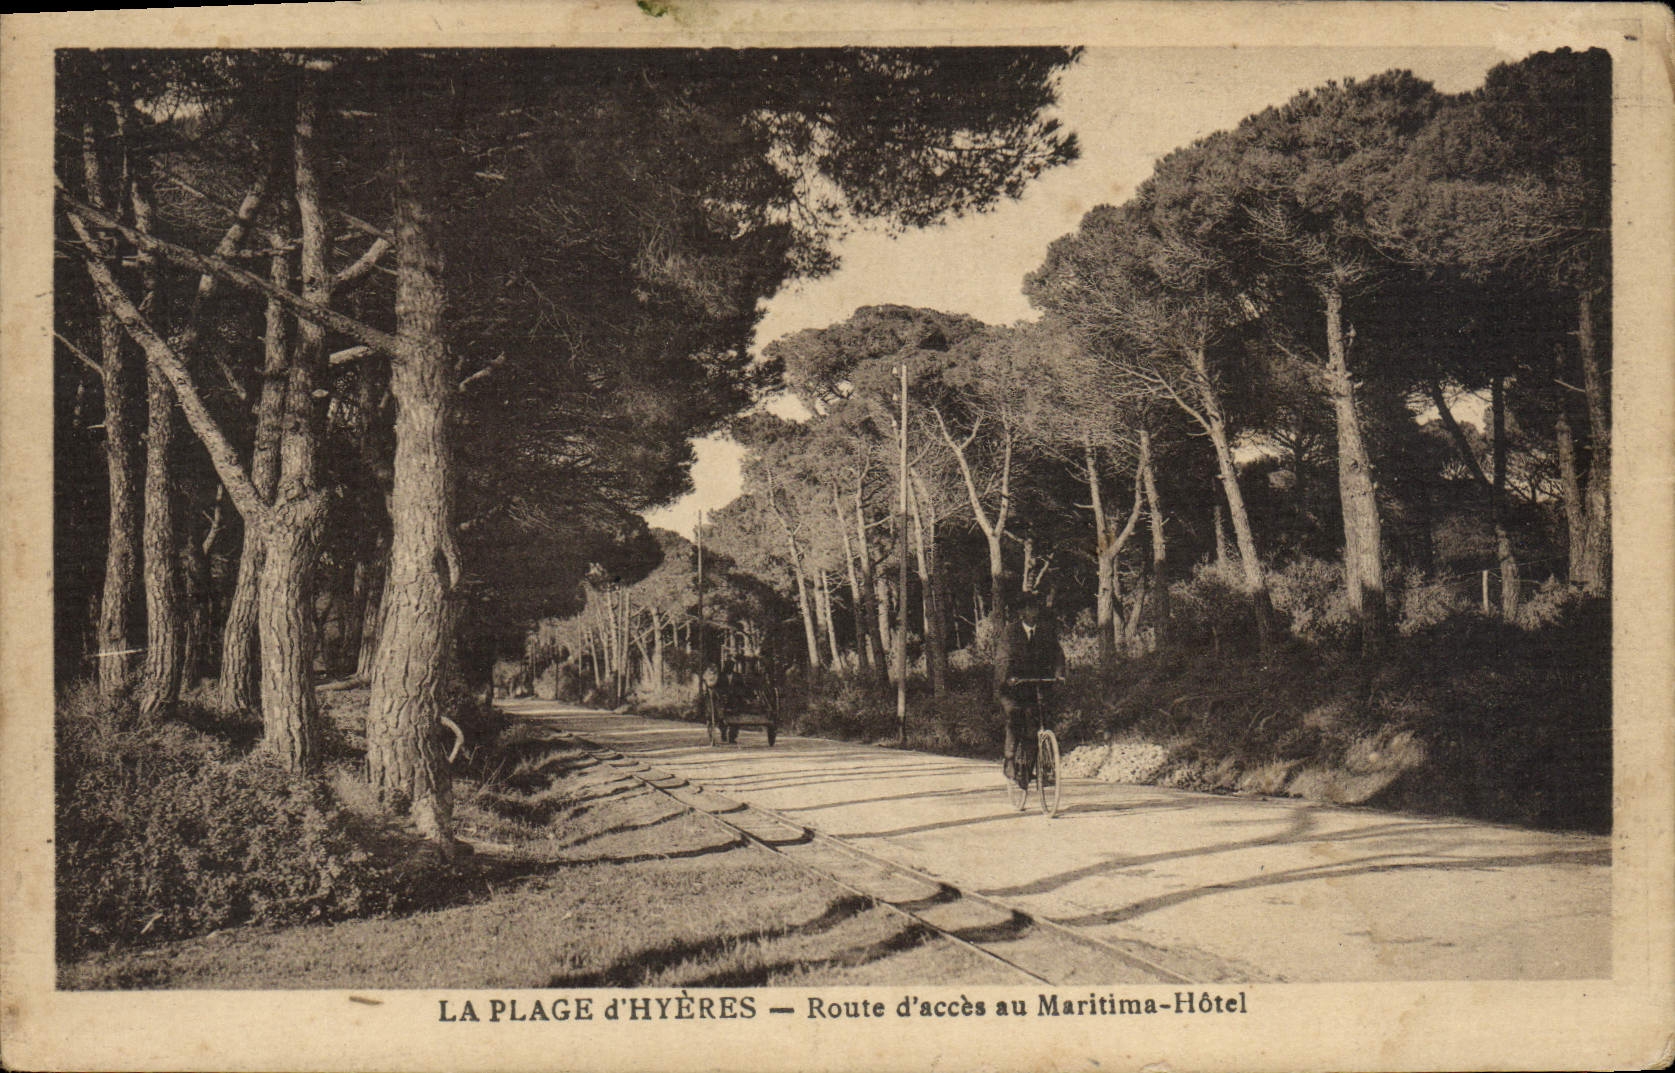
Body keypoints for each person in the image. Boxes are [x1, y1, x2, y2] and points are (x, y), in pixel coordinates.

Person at [995, 591, 1066, 790]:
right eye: (1027, 608)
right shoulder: (1011, 632)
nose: (1032, 612)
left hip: (1036, 683)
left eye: (1035, 607)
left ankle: (1029, 769)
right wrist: (1008, 678)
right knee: (1015, 718)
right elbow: (1003, 659)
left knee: (1037, 725)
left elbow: (1058, 655)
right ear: (1021, 612)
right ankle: (1010, 760)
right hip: (1012, 687)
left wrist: (1059, 674)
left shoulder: (1046, 631)